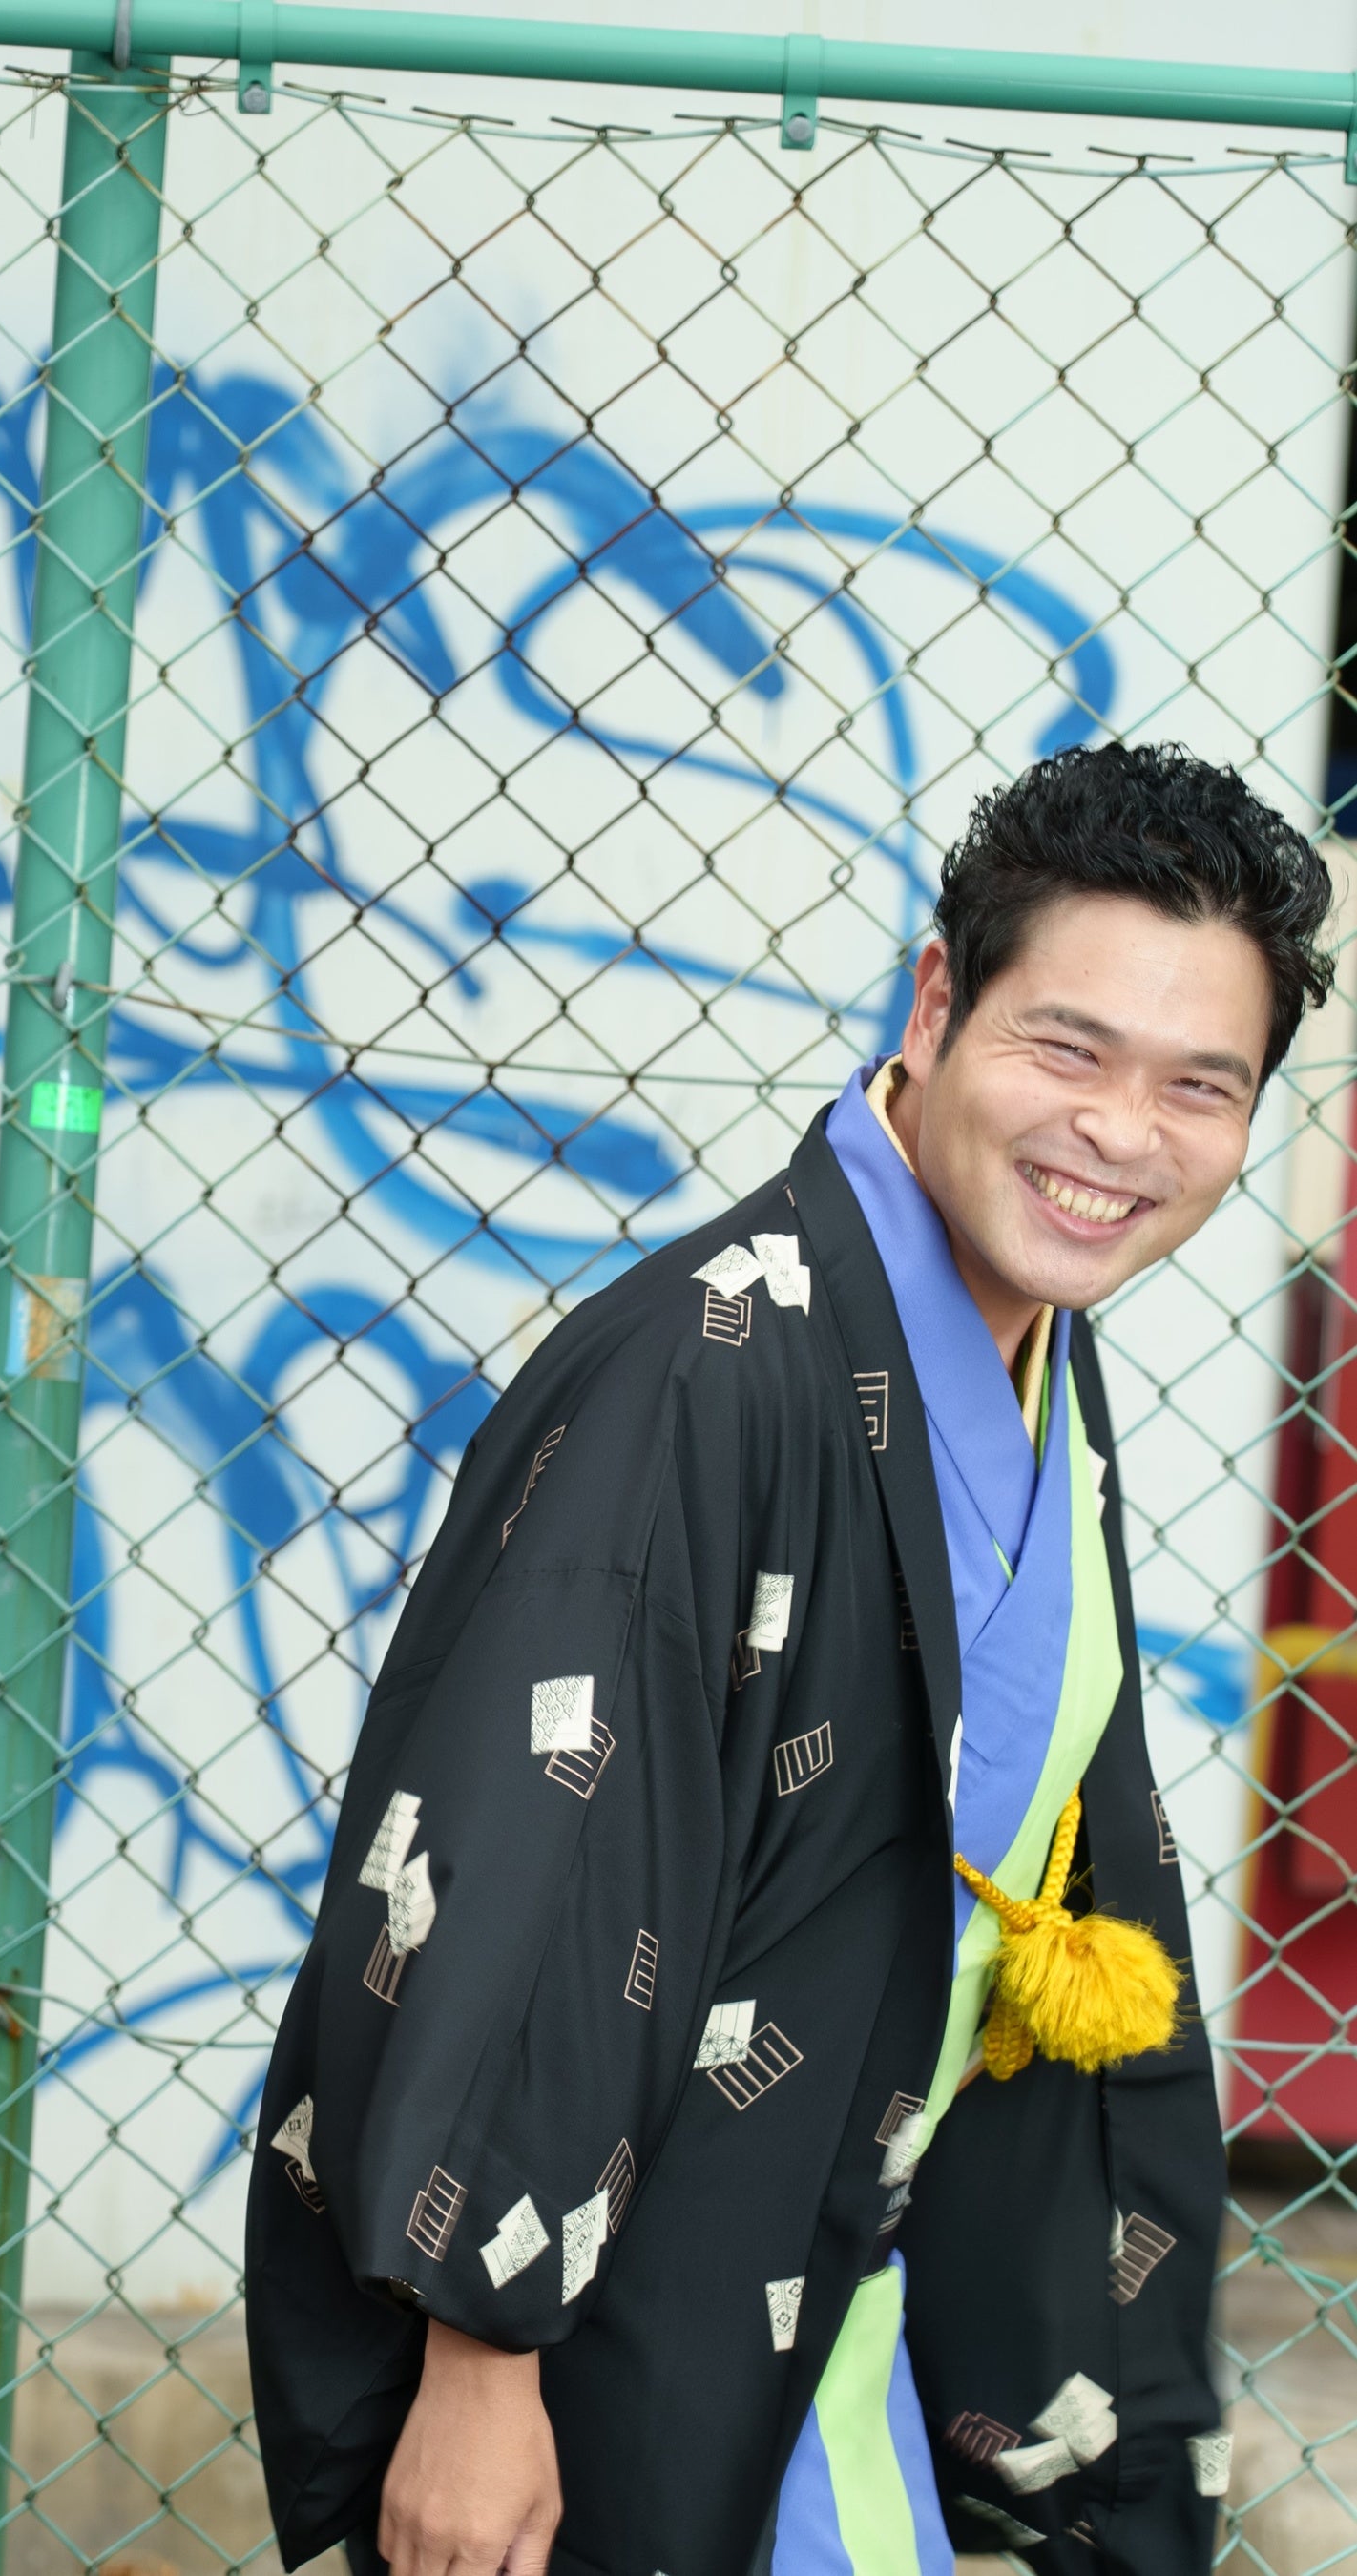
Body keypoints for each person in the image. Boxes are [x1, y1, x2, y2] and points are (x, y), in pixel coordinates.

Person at [245, 740, 1336, 2576]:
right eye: (1066, 1049)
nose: (1119, 1135)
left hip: (838, 2258)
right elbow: (542, 1864)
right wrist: (479, 2366)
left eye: (1196, 1086)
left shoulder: (1031, 1362)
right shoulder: (704, 1370)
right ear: (935, 1004)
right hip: (616, 2304)